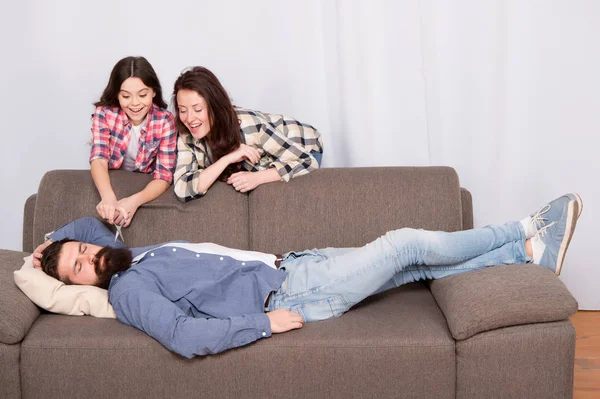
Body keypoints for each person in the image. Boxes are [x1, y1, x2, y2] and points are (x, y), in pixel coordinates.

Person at [33, 193, 582, 359]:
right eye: (77, 267)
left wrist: (48, 245)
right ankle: (530, 226)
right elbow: (182, 337)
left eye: (83, 250)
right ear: (80, 284)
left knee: (415, 266)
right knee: (405, 244)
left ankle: (526, 256)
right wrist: (264, 324)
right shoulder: (129, 289)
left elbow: (88, 225)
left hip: (294, 263)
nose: (88, 257)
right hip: (294, 291)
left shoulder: (122, 255)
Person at [172, 66, 323, 201]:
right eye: (183, 110)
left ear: (215, 107)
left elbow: (307, 161)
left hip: (304, 146)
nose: (190, 118)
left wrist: (257, 178)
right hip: (269, 153)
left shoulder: (250, 126)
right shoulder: (186, 135)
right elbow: (182, 188)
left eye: (198, 109)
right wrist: (227, 159)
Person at [90, 56, 177, 227]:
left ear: (153, 92)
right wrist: (108, 198)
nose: (135, 103)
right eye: (126, 96)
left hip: (145, 187)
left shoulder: (165, 120)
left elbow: (164, 175)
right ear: (117, 94)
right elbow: (99, 158)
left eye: (143, 95)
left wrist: (135, 201)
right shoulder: (104, 114)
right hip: (114, 182)